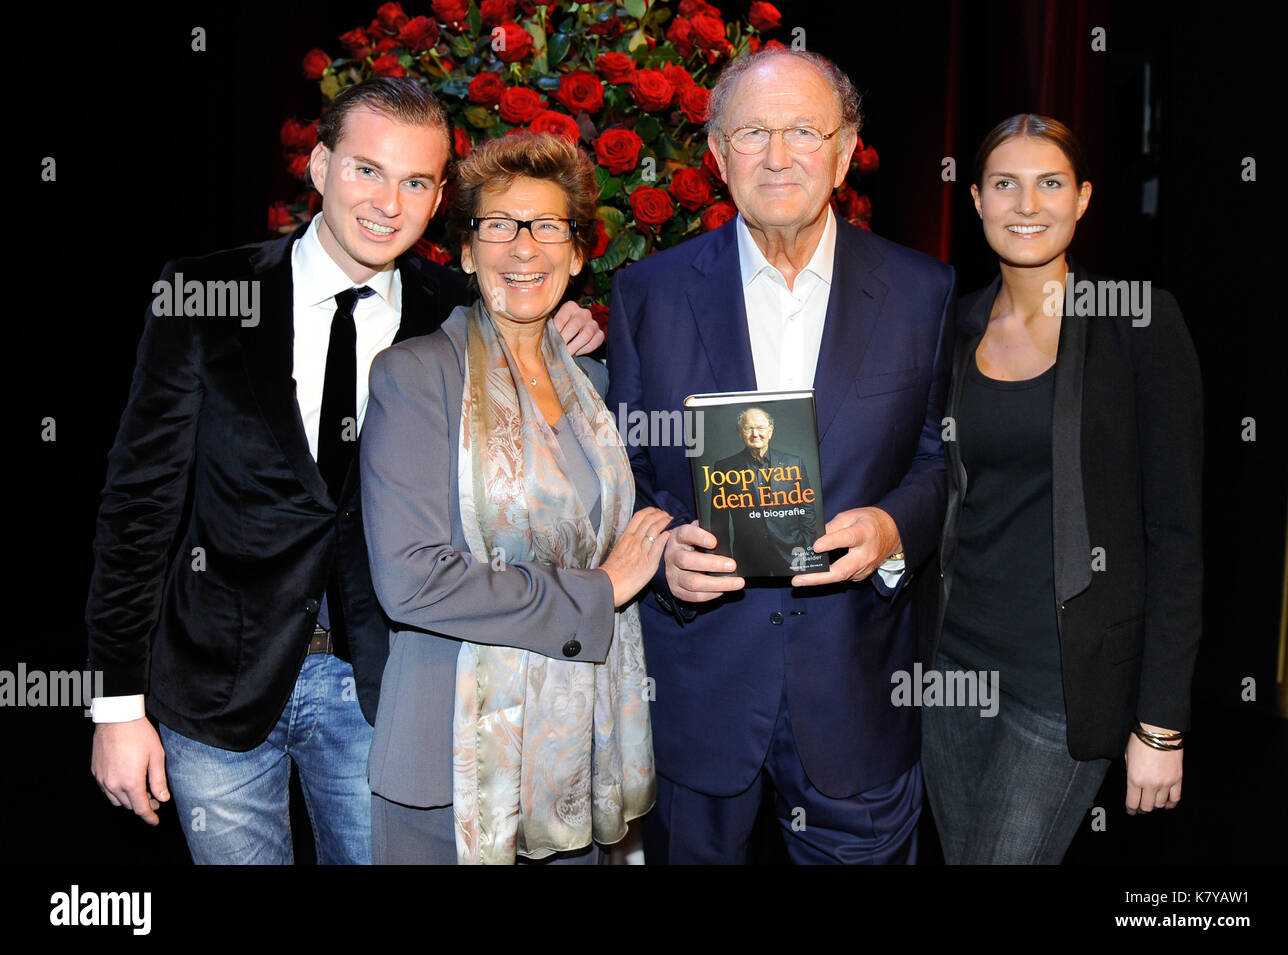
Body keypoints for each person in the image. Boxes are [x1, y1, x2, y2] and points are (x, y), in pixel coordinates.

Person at [85, 77, 604, 864]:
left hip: (384, 691)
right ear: (320, 166)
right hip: (214, 685)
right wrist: (115, 705)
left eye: (417, 181)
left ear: (437, 203)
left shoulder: (462, 311)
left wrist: (557, 319)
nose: (388, 203)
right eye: (367, 169)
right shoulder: (205, 293)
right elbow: (137, 508)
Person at [606, 49, 955, 864]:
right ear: (718, 154)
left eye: (803, 130)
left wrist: (892, 528)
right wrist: (662, 558)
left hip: (858, 688)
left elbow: (943, 460)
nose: (777, 154)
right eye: (752, 132)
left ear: (844, 148)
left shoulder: (922, 291)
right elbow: (621, 476)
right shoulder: (646, 295)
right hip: (697, 689)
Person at [361, 131, 670, 865]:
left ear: (578, 252)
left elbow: (613, 537)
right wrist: (599, 591)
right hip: (450, 762)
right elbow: (412, 580)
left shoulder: (592, 389)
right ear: (466, 252)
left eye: (547, 227)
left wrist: (666, 553)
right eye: (497, 225)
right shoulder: (415, 377)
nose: (522, 247)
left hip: (573, 759)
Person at [918, 114, 1203, 864]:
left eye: (1049, 184)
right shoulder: (954, 325)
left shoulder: (1138, 322)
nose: (1026, 204)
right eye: (1004, 185)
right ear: (975, 199)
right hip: (953, 671)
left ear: (1082, 199)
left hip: (1064, 686)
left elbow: (1177, 536)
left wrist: (1161, 724)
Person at [705, 407, 818, 575]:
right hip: (748, 557)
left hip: (792, 553)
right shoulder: (724, 468)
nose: (755, 434)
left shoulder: (794, 463)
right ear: (739, 434)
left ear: (770, 431)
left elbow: (807, 508)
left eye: (760, 427)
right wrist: (724, 562)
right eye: (748, 428)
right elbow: (718, 520)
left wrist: (805, 544)